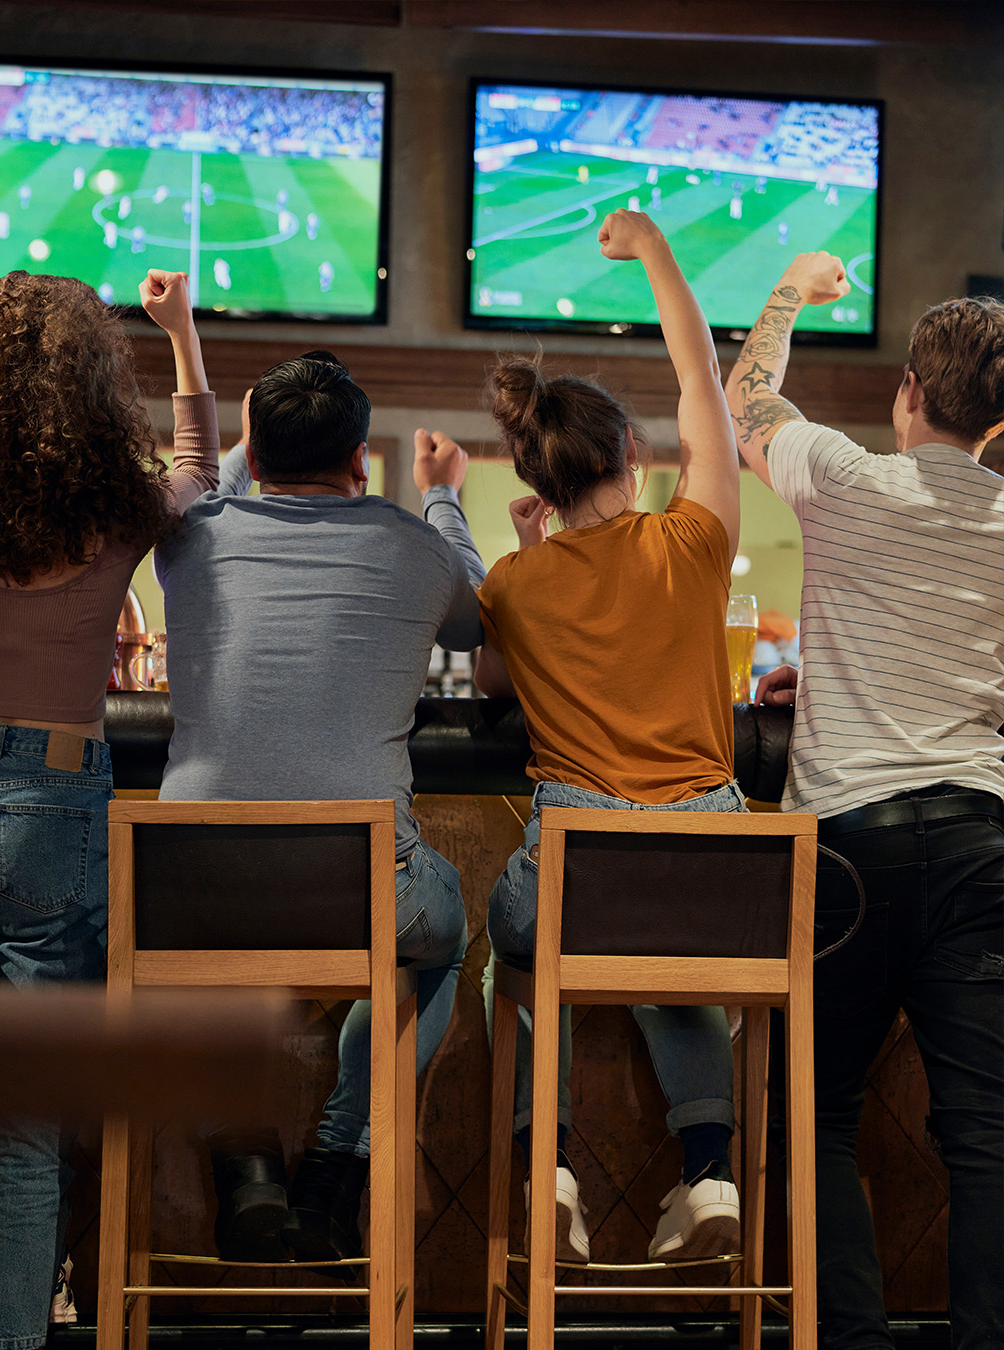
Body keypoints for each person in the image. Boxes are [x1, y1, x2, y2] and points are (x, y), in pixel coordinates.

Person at [0, 196, 219, 1350]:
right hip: (53, 796)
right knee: (30, 1128)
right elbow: (201, 461)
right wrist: (185, 335)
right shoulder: (118, 509)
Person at [725, 252, 1004, 1350]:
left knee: (819, 1113)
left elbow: (749, 396)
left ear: (908, 394)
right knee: (985, 1132)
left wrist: (790, 292)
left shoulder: (842, 476)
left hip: (851, 847)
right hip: (981, 839)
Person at [154, 350, 485, 1266]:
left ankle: (246, 1166)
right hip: (364, 893)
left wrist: (233, 441)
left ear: (250, 459)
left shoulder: (186, 540)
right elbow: (478, 617)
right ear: (360, 462)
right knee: (443, 932)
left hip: (192, 894)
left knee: (185, 958)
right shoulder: (412, 543)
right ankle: (341, 1163)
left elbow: (197, 487)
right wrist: (445, 496)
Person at [474, 208, 744, 1265]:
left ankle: (549, 1162)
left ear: (534, 483)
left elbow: (493, 681)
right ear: (632, 452)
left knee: (515, 955)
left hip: (575, 869)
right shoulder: (693, 541)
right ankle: (710, 1174)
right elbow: (705, 392)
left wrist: (523, 552)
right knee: (672, 965)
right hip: (710, 869)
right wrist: (657, 256)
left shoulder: (512, 584)